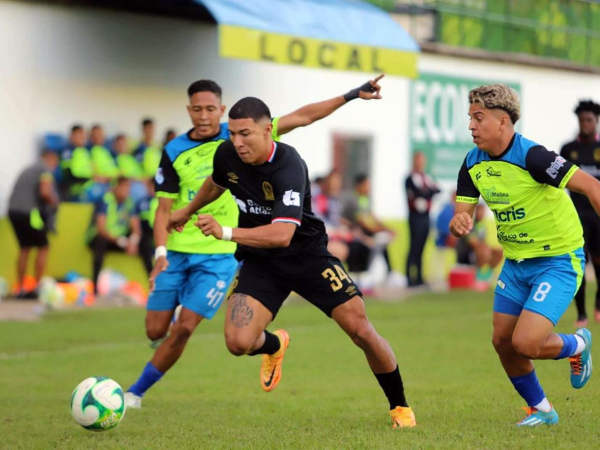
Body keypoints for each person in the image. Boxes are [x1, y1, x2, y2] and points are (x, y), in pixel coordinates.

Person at [124, 75, 387, 409]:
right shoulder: (181, 149)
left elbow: (305, 115)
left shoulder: (249, 132)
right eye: (197, 109)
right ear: (188, 111)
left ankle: (135, 393)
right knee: (156, 329)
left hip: (228, 246)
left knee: (185, 327)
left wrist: (350, 95)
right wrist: (177, 225)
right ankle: (272, 345)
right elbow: (201, 190)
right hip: (186, 244)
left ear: (219, 109)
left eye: (210, 109)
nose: (204, 116)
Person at [168, 97, 416, 428]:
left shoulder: (289, 166)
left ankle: (399, 406)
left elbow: (283, 234)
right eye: (233, 134)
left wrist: (225, 231)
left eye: (245, 134)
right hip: (262, 262)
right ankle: (276, 343)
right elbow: (216, 182)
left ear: (268, 130)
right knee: (237, 343)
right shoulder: (227, 153)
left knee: (361, 331)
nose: (237, 143)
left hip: (307, 257)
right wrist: (186, 210)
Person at [450, 84, 594, 427]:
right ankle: (542, 410)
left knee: (526, 342)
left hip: (558, 261)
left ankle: (577, 345)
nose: (471, 125)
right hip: (516, 264)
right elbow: (462, 215)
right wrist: (460, 221)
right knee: (502, 341)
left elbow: (592, 187)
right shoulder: (472, 163)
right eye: (470, 117)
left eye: (478, 117)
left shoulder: (534, 157)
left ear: (503, 121)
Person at [560, 100, 600, 327]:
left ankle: (598, 303)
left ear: (596, 121)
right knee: (579, 265)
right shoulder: (568, 150)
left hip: (598, 216)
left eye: (589, 120)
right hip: (576, 216)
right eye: (582, 120)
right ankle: (582, 314)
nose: (585, 124)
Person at [8, 150, 60, 298]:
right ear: (50, 158)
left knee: (25, 248)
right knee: (43, 246)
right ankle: (37, 288)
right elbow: (45, 192)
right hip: (30, 213)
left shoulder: (29, 169)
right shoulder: (44, 169)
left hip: (13, 212)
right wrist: (54, 203)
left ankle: (20, 288)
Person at [85, 176, 142, 294]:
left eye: (128, 187)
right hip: (103, 238)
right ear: (115, 188)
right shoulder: (105, 200)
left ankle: (154, 285)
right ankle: (95, 288)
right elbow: (101, 228)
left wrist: (133, 241)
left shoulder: (129, 202)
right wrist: (120, 241)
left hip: (120, 239)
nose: (127, 191)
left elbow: (136, 227)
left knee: (144, 243)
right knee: (100, 243)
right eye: (124, 187)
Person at [342, 174, 394, 287]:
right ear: (359, 185)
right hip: (354, 234)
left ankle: (388, 272)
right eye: (367, 184)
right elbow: (363, 223)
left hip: (363, 232)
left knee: (381, 242)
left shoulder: (365, 199)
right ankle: (361, 275)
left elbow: (373, 217)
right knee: (372, 243)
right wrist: (379, 231)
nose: (369, 187)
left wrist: (388, 229)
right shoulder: (353, 200)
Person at [405, 152, 440, 287]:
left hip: (426, 216)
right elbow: (419, 194)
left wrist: (426, 192)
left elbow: (433, 191)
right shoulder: (410, 178)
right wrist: (427, 192)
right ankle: (409, 277)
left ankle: (419, 277)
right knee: (414, 246)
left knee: (422, 247)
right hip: (415, 216)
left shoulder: (426, 177)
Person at [455, 203, 503, 289]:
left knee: (499, 252)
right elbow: (473, 242)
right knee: (484, 250)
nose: (481, 213)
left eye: (483, 210)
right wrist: (486, 247)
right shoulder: (470, 223)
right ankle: (479, 278)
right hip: (467, 253)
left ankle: (487, 275)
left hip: (479, 251)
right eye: (480, 210)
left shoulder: (483, 224)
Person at [86, 124, 118, 203]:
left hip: (112, 182)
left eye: (100, 134)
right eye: (95, 135)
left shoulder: (109, 152)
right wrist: (104, 179)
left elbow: (116, 170)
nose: (98, 137)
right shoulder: (87, 152)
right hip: (96, 184)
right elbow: (90, 173)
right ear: (91, 136)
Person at [60, 125, 92, 201]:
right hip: (76, 188)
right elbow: (67, 174)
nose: (83, 137)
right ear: (72, 136)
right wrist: (87, 179)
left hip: (89, 185)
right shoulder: (68, 152)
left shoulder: (86, 152)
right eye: (80, 134)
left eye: (84, 135)